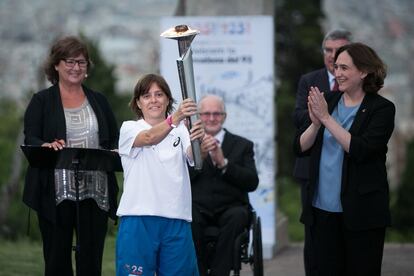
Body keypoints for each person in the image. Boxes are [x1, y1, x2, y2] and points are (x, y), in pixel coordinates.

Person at [294, 42, 395, 275]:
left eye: (344, 68)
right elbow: (299, 147)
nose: (337, 73)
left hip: (362, 213)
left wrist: (326, 119)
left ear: (363, 71)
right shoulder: (327, 100)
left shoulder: (382, 108)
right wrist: (316, 123)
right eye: (336, 67)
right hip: (321, 210)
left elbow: (362, 149)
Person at [23, 36, 119, 276]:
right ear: (56, 65)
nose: (76, 67)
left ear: (87, 67)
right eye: (70, 61)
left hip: (96, 192)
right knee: (57, 260)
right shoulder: (41, 101)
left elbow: (113, 138)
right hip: (55, 192)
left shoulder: (99, 100)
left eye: (82, 62)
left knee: (91, 260)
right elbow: (30, 138)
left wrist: (115, 150)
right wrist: (45, 145)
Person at [116, 73, 204, 276]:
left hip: (176, 218)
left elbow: (196, 158)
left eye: (159, 94)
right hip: (138, 218)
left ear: (167, 100)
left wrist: (200, 140)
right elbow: (149, 138)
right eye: (146, 96)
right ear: (138, 103)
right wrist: (176, 118)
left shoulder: (181, 131)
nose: (153, 100)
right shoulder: (130, 128)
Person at [293, 29, 352, 275]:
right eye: (328, 50)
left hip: (348, 172)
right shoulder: (310, 80)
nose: (332, 56)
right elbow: (298, 119)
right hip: (312, 171)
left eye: (338, 50)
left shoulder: (359, 85)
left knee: (347, 241)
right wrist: (318, 115)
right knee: (315, 243)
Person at [190, 94, 259, 276]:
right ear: (198, 117)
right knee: (188, 217)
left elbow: (252, 182)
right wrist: (201, 157)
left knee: (237, 216)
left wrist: (224, 163)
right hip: (198, 208)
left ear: (224, 116)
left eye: (216, 114)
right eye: (206, 114)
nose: (211, 118)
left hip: (231, 207)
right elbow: (181, 180)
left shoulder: (243, 145)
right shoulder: (189, 144)